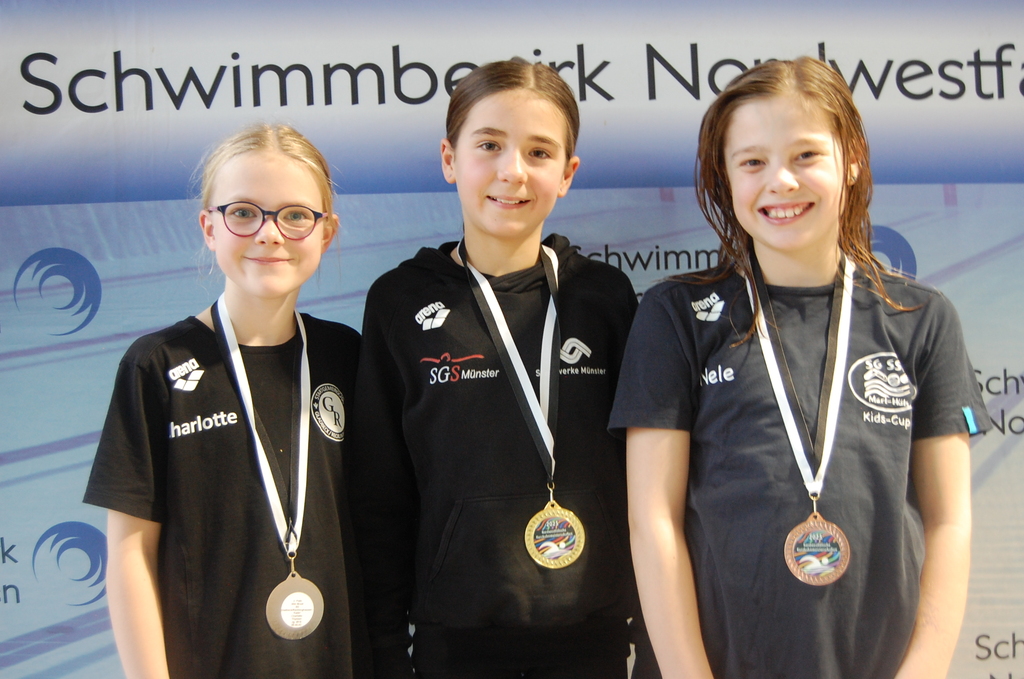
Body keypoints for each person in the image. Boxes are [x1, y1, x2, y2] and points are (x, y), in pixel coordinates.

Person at [610, 56, 990, 679]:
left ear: (852, 159)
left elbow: (950, 522)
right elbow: (652, 521)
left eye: (806, 155)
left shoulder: (922, 318)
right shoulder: (676, 315)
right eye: (752, 162)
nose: (781, 182)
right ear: (725, 175)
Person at [349, 58, 650, 678]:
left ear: (567, 174)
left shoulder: (604, 298)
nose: (512, 171)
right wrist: (385, 653)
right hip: (454, 644)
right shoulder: (400, 302)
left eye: (539, 152)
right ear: (449, 159)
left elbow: (648, 487)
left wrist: (654, 648)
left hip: (595, 640)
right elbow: (379, 497)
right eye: (488, 145)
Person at [84, 124, 371, 679]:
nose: (269, 234)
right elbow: (129, 554)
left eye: (295, 215)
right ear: (209, 227)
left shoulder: (347, 356)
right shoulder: (157, 366)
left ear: (326, 232)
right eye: (243, 213)